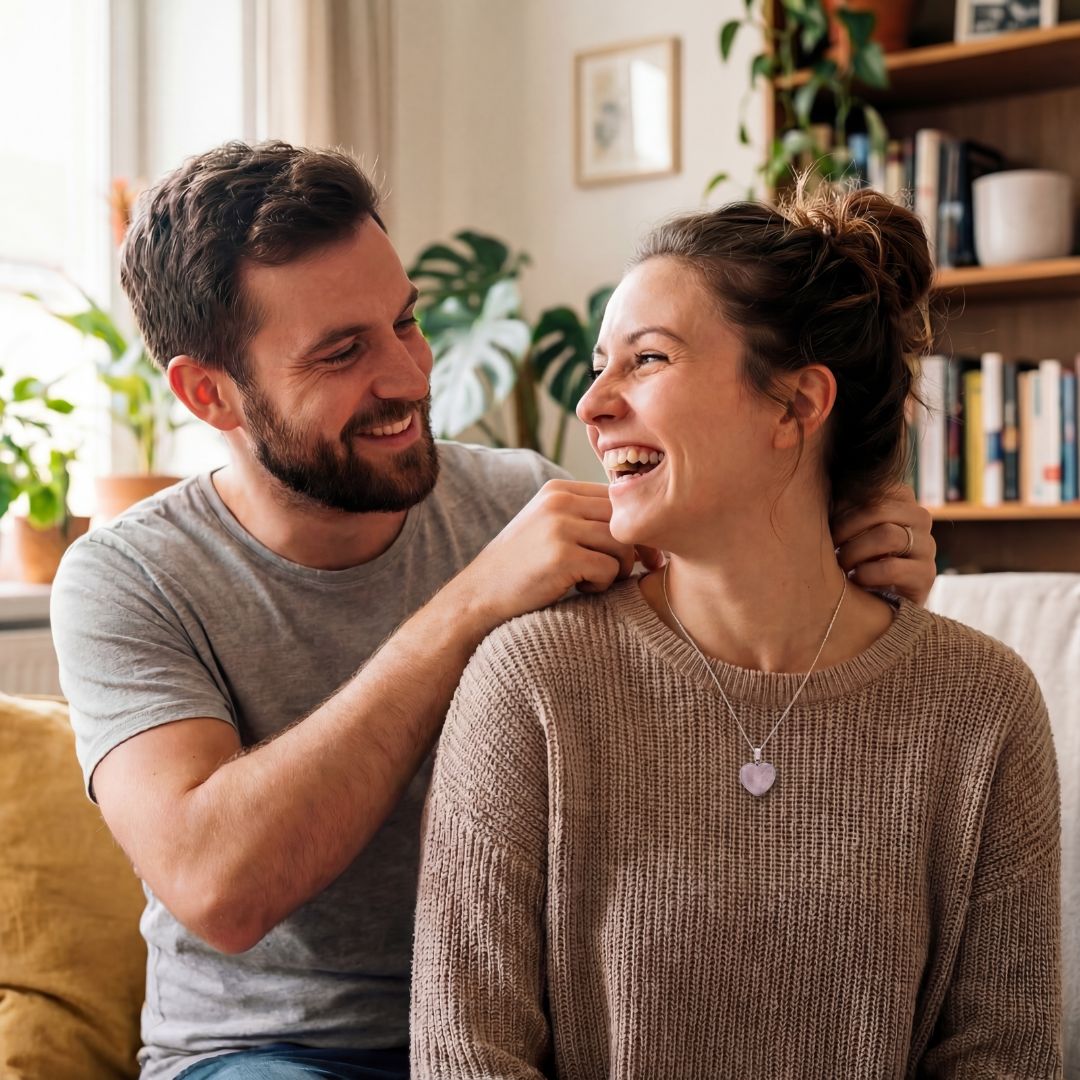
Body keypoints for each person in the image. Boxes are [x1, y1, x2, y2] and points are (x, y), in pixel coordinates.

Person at [50, 142, 937, 1080]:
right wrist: (470, 603)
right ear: (208, 392)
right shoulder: (126, 577)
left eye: (406, 323)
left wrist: (853, 557)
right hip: (277, 1052)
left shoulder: (522, 499)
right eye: (343, 352)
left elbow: (737, 597)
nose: (408, 376)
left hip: (531, 1022)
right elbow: (218, 887)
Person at [410, 182, 1062, 1078]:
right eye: (601, 364)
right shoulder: (530, 683)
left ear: (796, 407)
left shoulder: (982, 705)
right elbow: (465, 1056)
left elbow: (1004, 1058)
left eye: (646, 359)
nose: (592, 405)